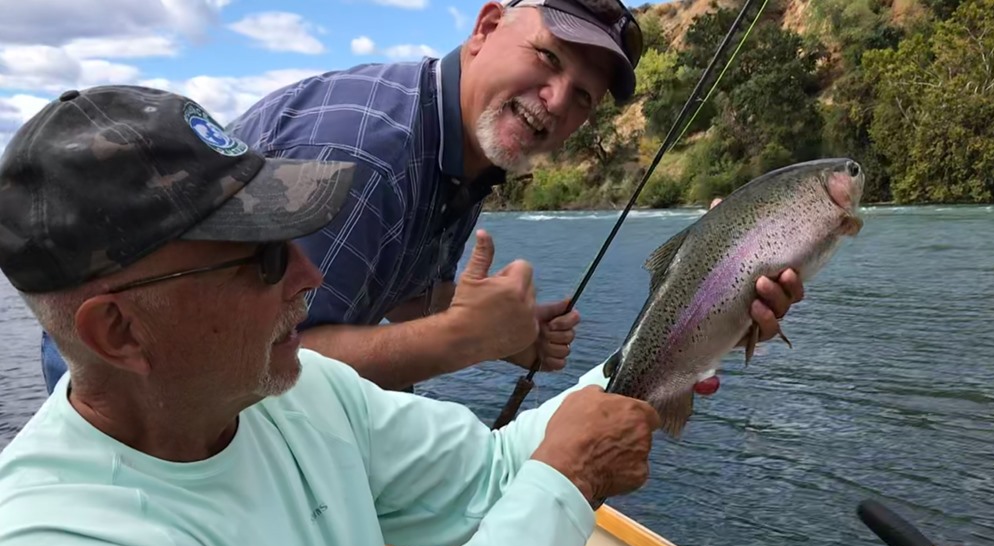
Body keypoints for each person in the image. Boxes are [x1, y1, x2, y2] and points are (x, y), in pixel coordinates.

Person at [0, 84, 665, 546]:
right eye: (262, 257)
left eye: (295, 236)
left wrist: (668, 349)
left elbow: (491, 473)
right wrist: (570, 476)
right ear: (119, 330)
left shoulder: (297, 389)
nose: (310, 274)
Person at [35, 0, 806, 397]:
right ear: (486, 26)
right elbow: (267, 359)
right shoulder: (366, 151)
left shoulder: (465, 149)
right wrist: (465, 341)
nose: (555, 100)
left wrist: (501, 332)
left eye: (582, 97)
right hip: (127, 390)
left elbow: (394, 299)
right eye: (546, 58)